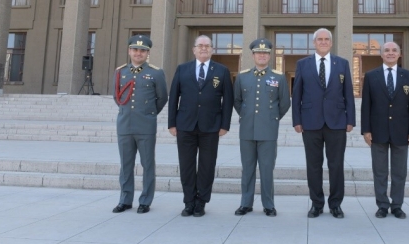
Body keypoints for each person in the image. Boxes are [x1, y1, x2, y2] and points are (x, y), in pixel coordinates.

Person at [292, 28, 356, 219]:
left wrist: (350, 119)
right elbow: (297, 94)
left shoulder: (342, 64)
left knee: (336, 165)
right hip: (310, 122)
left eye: (326, 39)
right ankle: (317, 204)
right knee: (313, 165)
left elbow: (348, 94)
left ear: (331, 42)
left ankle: (336, 204)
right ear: (313, 43)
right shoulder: (303, 64)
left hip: (337, 122)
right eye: (319, 39)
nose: (323, 42)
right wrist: (297, 120)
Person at [168, 35, 233, 217]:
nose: (204, 48)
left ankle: (201, 202)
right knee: (186, 166)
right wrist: (172, 123)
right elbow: (174, 98)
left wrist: (225, 125)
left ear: (212, 49)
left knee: (207, 166)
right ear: (194, 49)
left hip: (211, 127)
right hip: (185, 126)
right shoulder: (182, 69)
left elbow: (227, 100)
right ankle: (189, 202)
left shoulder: (222, 70)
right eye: (200, 46)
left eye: (207, 46)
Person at [360, 41, 409, 219]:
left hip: (402, 131)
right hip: (378, 131)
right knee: (380, 171)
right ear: (381, 54)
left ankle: (397, 205)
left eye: (394, 51)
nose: (391, 53)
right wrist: (366, 130)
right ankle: (382, 205)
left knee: (399, 171)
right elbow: (366, 105)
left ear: (399, 54)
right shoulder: (371, 76)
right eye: (387, 50)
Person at [233, 38, 291, 217]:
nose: (262, 56)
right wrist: (246, 115)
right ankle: (246, 203)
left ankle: (268, 204)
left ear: (270, 56)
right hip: (247, 130)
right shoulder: (242, 77)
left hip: (268, 130)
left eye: (265, 53)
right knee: (247, 169)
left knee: (266, 169)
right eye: (259, 53)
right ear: (252, 55)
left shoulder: (278, 77)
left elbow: (284, 103)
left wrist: (273, 119)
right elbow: (237, 101)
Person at [112, 35, 168, 214]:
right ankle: (125, 199)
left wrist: (148, 114)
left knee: (147, 164)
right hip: (125, 125)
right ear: (129, 51)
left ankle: (145, 200)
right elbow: (117, 97)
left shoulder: (156, 72)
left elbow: (162, 98)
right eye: (135, 49)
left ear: (147, 53)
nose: (138, 53)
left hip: (145, 126)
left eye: (142, 50)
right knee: (126, 164)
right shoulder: (120, 72)